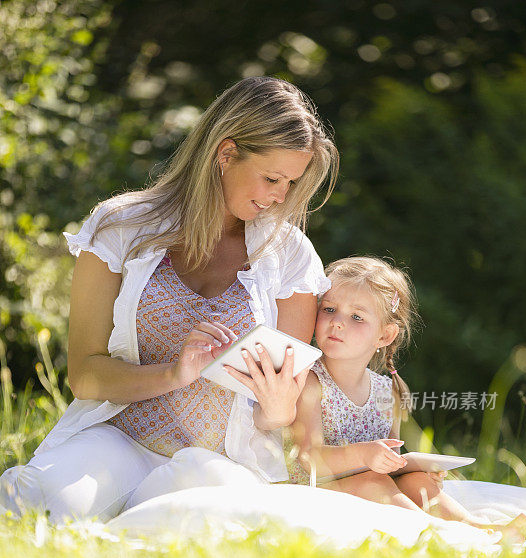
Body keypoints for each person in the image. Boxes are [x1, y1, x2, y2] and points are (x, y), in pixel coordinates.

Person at [0, 76, 339, 524]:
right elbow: (85, 376)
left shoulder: (290, 255)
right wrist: (174, 372)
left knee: (182, 528)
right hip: (117, 439)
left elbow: (281, 412)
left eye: (291, 184)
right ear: (226, 152)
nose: (280, 197)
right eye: (272, 177)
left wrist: (278, 407)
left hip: (219, 461)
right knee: (36, 507)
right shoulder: (120, 227)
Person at [287, 256, 526, 539]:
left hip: (373, 482)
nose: (337, 323)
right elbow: (308, 458)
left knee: (417, 480)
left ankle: (475, 525)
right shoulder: (311, 381)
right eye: (329, 309)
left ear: (385, 335)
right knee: (372, 480)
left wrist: (409, 468)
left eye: (356, 316)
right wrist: (365, 455)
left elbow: (392, 457)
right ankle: (440, 533)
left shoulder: (386, 391)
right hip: (321, 488)